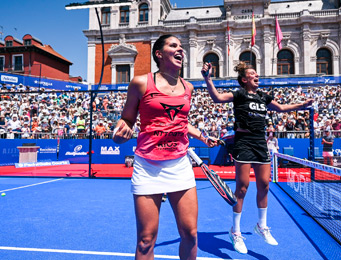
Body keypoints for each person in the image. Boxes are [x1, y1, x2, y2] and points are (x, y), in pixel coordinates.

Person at [113, 35, 217, 260]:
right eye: (173, 46)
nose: (180, 49)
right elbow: (127, 119)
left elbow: (179, 121)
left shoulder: (188, 87)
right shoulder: (140, 82)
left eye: (181, 47)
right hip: (147, 166)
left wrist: (202, 135)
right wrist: (120, 133)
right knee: (146, 240)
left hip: (179, 164)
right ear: (159, 54)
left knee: (190, 233)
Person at [201, 61, 313, 254]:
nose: (256, 76)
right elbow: (217, 98)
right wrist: (207, 78)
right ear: (244, 79)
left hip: (260, 143)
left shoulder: (263, 96)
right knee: (242, 187)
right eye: (252, 74)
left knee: (264, 185)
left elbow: (281, 108)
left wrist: (302, 104)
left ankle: (261, 226)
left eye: (256, 73)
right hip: (243, 142)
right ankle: (235, 231)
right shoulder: (239, 95)